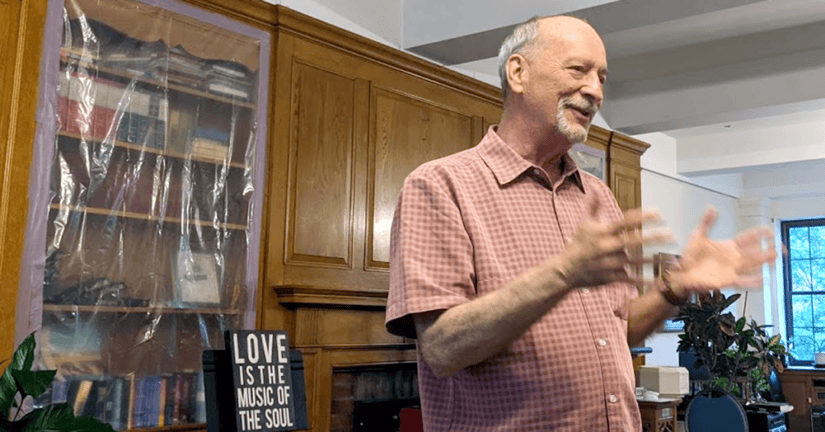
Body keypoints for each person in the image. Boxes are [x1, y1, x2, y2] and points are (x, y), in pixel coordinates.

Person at [384, 14, 778, 432]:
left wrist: (672, 288)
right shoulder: (440, 186)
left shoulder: (598, 196)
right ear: (518, 72)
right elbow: (442, 348)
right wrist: (565, 272)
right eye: (579, 70)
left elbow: (617, 329)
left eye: (602, 78)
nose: (595, 91)